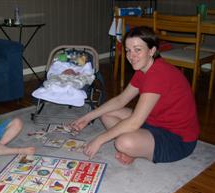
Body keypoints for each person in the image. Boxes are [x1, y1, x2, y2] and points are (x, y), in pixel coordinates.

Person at [71, 26, 199, 165]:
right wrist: (87, 117)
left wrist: (99, 140)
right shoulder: (143, 69)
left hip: (177, 139)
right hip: (154, 122)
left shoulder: (158, 74)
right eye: (128, 50)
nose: (131, 56)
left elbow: (135, 121)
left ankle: (137, 150)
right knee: (107, 114)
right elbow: (121, 100)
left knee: (123, 143)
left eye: (138, 49)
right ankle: (139, 148)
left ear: (152, 50)